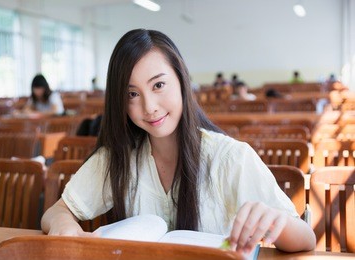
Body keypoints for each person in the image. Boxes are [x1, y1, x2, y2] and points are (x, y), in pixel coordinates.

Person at [41, 29, 315, 254]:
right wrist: (63, 224)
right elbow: (57, 211)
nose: (149, 107)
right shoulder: (119, 158)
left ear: (182, 81)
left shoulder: (229, 157)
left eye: (158, 85)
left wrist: (277, 223)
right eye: (132, 95)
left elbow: (306, 240)